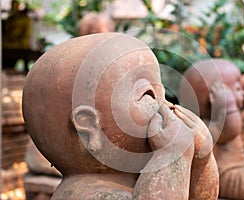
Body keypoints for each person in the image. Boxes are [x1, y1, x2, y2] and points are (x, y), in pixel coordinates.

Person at [22, 33, 218, 199]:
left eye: (163, 95)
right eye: (147, 96)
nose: (164, 107)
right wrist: (172, 156)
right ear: (90, 127)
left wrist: (202, 157)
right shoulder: (87, 194)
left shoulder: (138, 179)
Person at [179, 59, 244, 200]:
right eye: (237, 89)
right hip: (222, 173)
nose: (243, 93)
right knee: (242, 182)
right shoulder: (207, 128)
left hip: (236, 165)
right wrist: (228, 106)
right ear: (214, 99)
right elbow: (232, 129)